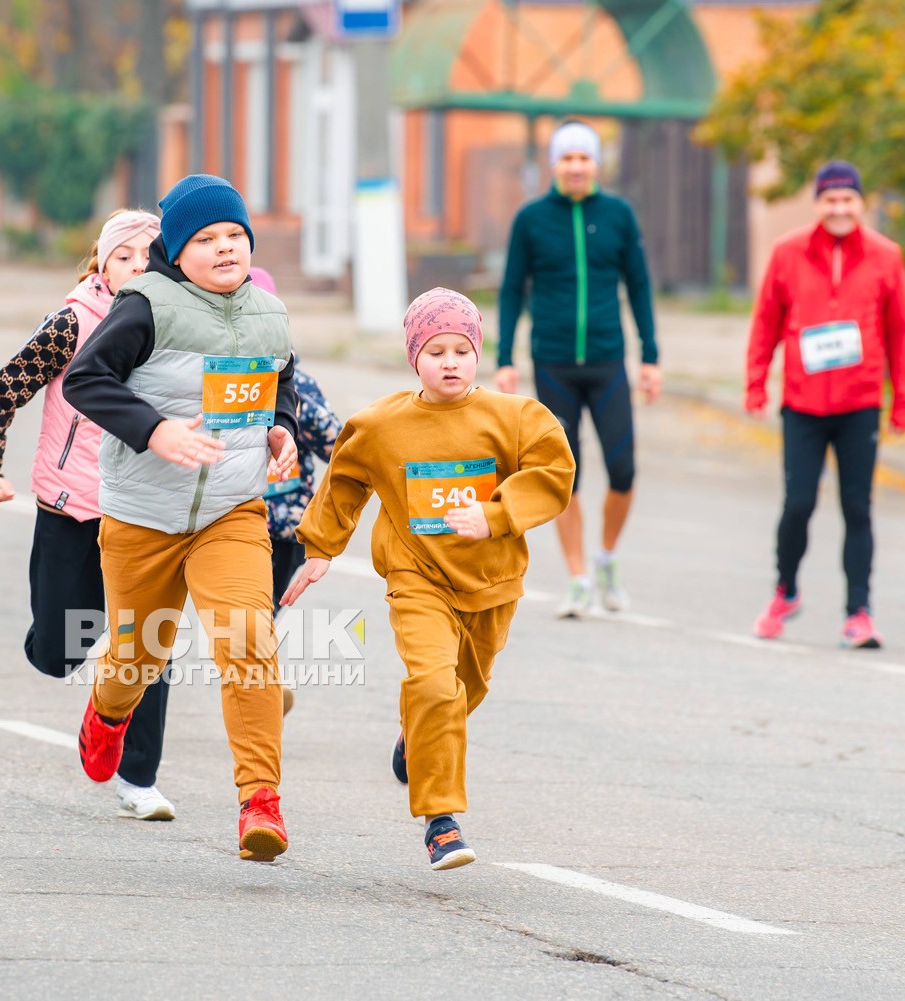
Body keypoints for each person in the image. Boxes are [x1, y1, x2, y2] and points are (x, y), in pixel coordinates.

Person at [283, 288, 573, 870]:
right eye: (435, 350)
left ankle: (416, 740)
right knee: (436, 685)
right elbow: (344, 481)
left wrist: (493, 514)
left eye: (461, 350)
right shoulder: (381, 425)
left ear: (478, 355)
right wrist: (320, 548)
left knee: (467, 690)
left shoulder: (516, 418)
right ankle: (441, 822)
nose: (449, 362)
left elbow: (555, 472)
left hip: (492, 584)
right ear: (414, 356)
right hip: (417, 578)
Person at [62, 174, 299, 862]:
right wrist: (155, 429)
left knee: (249, 639)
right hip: (143, 514)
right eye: (206, 239)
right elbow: (86, 380)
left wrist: (279, 428)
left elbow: (279, 378)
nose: (225, 248)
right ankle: (108, 710)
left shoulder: (269, 312)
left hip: (231, 508)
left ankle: (261, 801)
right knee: (138, 655)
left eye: (235, 236)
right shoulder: (145, 307)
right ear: (175, 247)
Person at [0, 208, 180, 821]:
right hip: (70, 503)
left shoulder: (178, 323)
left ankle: (139, 779)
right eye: (124, 256)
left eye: (149, 256)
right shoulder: (73, 322)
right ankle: (80, 665)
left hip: (145, 510)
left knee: (145, 646)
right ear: (101, 264)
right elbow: (11, 385)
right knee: (58, 649)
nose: (138, 266)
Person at [745, 160, 905, 649]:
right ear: (818, 203)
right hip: (802, 403)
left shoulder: (886, 256)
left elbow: (901, 331)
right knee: (798, 503)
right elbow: (766, 322)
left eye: (848, 200)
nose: (840, 208)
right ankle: (786, 590)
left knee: (856, 508)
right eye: (831, 200)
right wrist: (756, 382)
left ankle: (858, 612)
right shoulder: (788, 252)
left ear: (861, 203)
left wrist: (904, 398)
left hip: (859, 402)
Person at [496, 120, 659, 618]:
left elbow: (640, 285)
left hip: (608, 361)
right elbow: (511, 290)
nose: (575, 167)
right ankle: (578, 576)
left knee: (624, 470)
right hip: (554, 362)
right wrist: (505, 359)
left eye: (583, 158)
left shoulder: (617, 216)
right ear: (553, 165)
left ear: (596, 164)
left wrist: (650, 356)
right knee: (566, 476)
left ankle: (606, 557)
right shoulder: (531, 219)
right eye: (566, 158)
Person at [249, 267, 341, 615]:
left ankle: (251, 662)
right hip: (236, 517)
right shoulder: (214, 379)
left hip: (288, 523)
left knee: (265, 611)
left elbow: (336, 446)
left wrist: (297, 405)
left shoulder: (299, 381)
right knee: (244, 611)